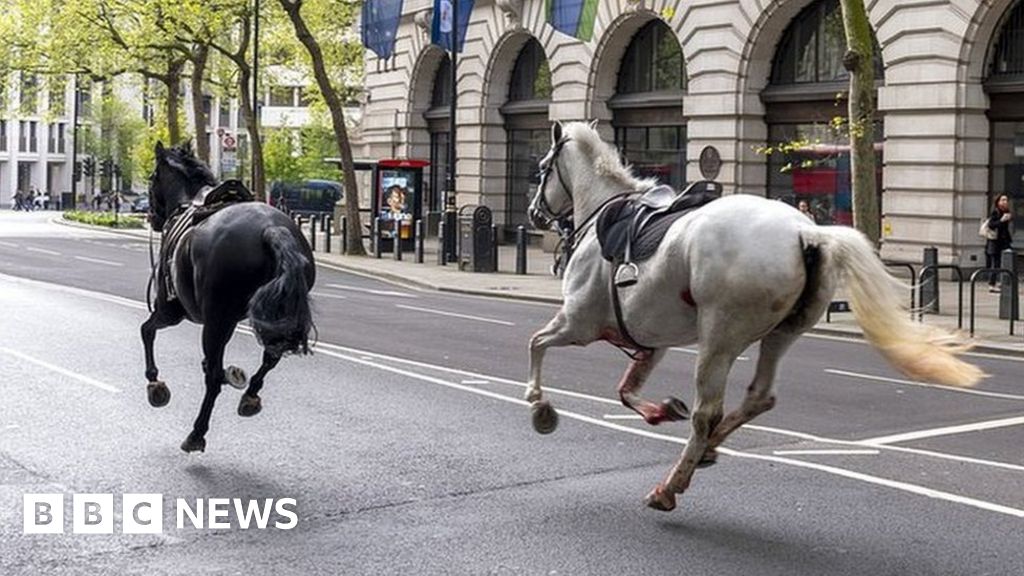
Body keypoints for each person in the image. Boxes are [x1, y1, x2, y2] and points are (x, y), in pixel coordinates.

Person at [984, 194, 1013, 293]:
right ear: (998, 202)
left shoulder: (1006, 211)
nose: (1005, 202)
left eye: (1006, 200)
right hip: (995, 242)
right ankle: (992, 284)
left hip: (1004, 241)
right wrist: (1001, 220)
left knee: (1009, 258)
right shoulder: (995, 212)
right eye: (1003, 200)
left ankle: (1004, 281)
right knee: (996, 263)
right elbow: (992, 225)